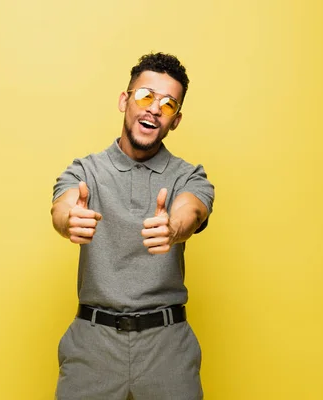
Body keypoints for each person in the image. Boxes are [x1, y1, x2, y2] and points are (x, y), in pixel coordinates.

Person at [51, 52, 215, 400]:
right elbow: (62, 206)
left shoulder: (188, 176)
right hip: (93, 344)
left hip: (166, 346)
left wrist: (174, 227)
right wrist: (69, 220)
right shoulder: (85, 172)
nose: (155, 109)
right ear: (125, 100)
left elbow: (193, 209)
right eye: (146, 96)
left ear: (176, 120)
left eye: (169, 104)